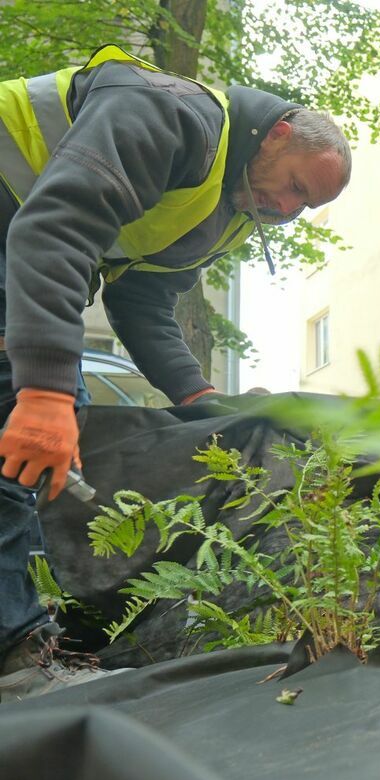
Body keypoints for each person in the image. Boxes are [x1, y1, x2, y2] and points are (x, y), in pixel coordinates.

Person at [0, 45, 351, 699]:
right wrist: (41, 390)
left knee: (53, 427)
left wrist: (198, 396)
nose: (287, 208)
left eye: (305, 206)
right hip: (17, 217)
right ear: (277, 133)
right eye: (297, 186)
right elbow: (55, 229)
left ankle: (31, 631)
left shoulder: (226, 209)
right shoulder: (172, 117)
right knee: (17, 405)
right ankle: (9, 653)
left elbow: (143, 300)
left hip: (22, 234)